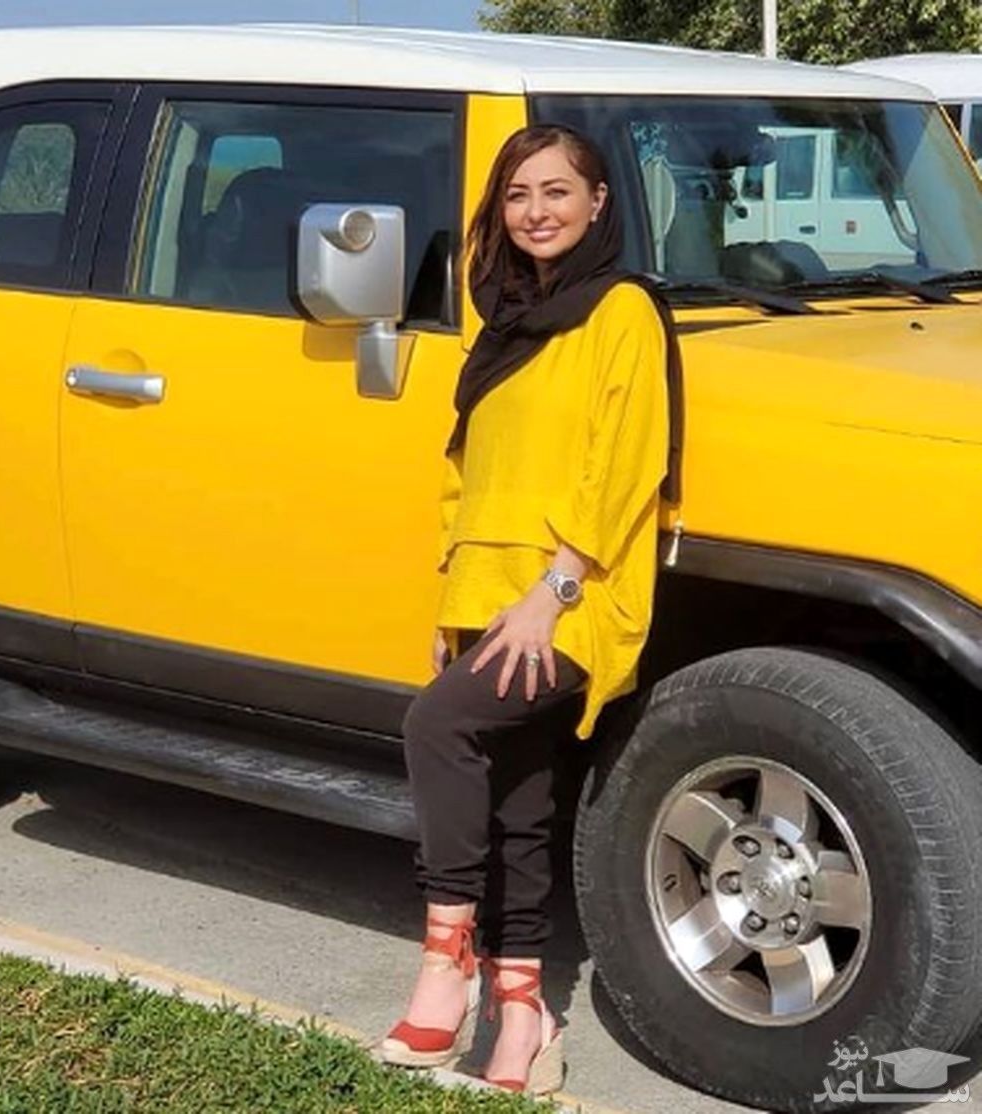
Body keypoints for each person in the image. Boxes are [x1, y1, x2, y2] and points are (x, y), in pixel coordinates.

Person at [379, 124, 680, 1095]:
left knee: (437, 726)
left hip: (572, 596)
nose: (536, 211)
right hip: (488, 594)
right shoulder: (506, 323)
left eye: (557, 191)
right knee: (518, 799)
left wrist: (555, 591)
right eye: (517, 194)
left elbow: (625, 460)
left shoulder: (622, 310)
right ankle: (523, 1013)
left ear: (599, 202)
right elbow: (467, 475)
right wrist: (453, 599)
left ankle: (445, 959)